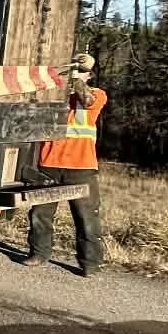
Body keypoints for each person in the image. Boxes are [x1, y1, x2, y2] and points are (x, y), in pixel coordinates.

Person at [25, 52, 107, 274]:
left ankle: (90, 264)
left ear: (89, 77)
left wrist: (76, 75)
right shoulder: (53, 96)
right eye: (72, 73)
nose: (76, 77)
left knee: (86, 218)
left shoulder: (98, 95)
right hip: (48, 164)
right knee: (40, 214)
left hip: (81, 168)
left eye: (82, 74)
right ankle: (38, 254)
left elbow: (86, 100)